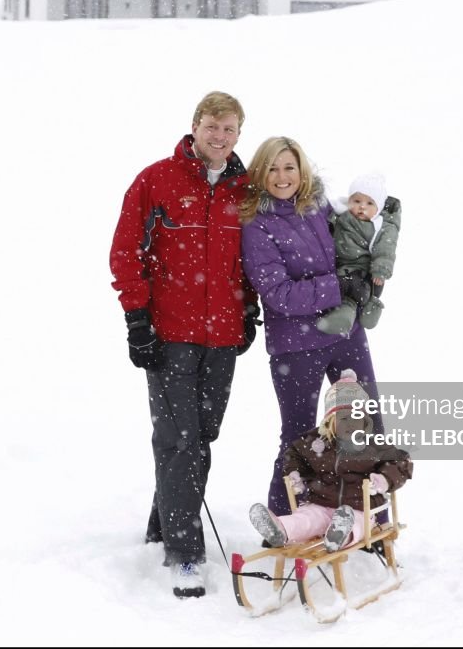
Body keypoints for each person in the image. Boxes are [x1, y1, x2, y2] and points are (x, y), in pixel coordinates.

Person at [109, 91, 260, 599]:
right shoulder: (157, 180)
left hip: (222, 335)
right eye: (212, 127)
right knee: (182, 439)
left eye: (230, 130)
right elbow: (126, 251)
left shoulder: (246, 188)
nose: (220, 138)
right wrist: (137, 320)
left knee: (202, 434)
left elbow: (254, 256)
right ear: (194, 126)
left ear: (240, 134)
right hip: (169, 334)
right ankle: (185, 553)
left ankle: (162, 519)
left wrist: (247, 310)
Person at [239, 136, 386, 519]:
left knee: (367, 423)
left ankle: (372, 523)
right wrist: (339, 287)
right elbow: (278, 293)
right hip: (296, 345)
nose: (282, 176)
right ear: (261, 173)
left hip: (345, 334)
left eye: (289, 167)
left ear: (302, 170)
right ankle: (287, 523)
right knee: (301, 439)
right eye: (272, 168)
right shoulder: (256, 225)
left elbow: (357, 240)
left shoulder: (319, 208)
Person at [249, 370, 413, 552]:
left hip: (359, 509)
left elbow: (401, 461)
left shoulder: (372, 444)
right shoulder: (317, 442)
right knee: (307, 518)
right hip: (321, 503)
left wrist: (384, 479)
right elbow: (293, 454)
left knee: (356, 524)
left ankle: (339, 535)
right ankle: (280, 529)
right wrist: (294, 473)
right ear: (330, 419)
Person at [317, 172, 401, 335]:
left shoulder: (379, 227)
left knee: (350, 291)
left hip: (358, 270)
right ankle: (362, 308)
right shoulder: (341, 214)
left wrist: (381, 270)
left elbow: (385, 250)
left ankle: (347, 316)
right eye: (357, 201)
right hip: (336, 264)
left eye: (370, 203)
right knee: (331, 286)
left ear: (379, 208)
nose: (362, 206)